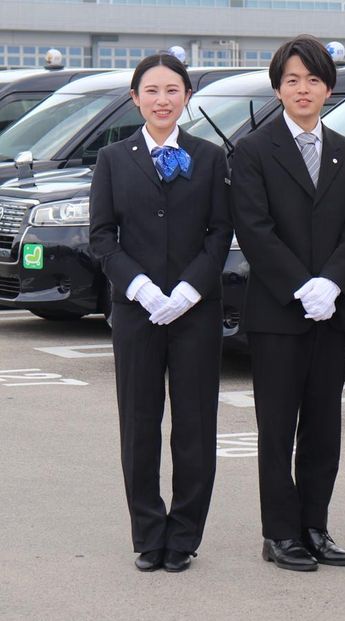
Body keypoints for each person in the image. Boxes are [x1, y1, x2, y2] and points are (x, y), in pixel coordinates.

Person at [230, 35, 345, 573]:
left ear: (329, 88)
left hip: (332, 313)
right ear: (278, 89)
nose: (303, 88)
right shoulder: (253, 151)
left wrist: (330, 284)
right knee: (277, 429)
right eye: (292, 80)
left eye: (313, 79)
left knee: (323, 428)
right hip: (278, 313)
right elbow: (254, 228)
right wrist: (300, 286)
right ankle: (280, 533)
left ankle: (316, 527)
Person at [89, 53, 232, 573]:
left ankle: (184, 536)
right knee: (139, 425)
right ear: (135, 99)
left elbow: (221, 231)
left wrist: (190, 289)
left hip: (196, 312)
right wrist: (140, 288)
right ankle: (149, 534)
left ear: (187, 97)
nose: (162, 100)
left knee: (195, 426)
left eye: (173, 90)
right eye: (151, 91)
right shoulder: (112, 159)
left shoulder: (209, 157)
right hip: (137, 313)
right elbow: (102, 235)